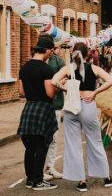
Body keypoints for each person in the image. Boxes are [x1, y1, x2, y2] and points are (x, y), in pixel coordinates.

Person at [52, 42, 112, 192]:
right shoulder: (94, 68)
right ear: (88, 54)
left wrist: (65, 88)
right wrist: (94, 93)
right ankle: (106, 177)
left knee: (73, 145)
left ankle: (81, 181)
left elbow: (54, 81)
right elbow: (110, 81)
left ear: (74, 54)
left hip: (71, 108)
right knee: (95, 141)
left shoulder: (68, 69)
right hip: (87, 104)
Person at [18, 37, 59, 190]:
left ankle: (30, 179)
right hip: (43, 109)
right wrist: (57, 89)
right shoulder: (46, 69)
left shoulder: (24, 67)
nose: (51, 54)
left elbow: (22, 92)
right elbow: (49, 93)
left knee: (30, 147)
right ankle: (38, 181)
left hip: (29, 108)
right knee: (42, 145)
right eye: (51, 51)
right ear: (47, 50)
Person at [42, 36, 66, 181]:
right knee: (41, 138)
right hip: (41, 105)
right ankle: (39, 169)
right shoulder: (36, 61)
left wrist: (56, 89)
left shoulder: (59, 61)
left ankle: (50, 167)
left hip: (56, 106)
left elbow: (65, 80)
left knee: (53, 138)